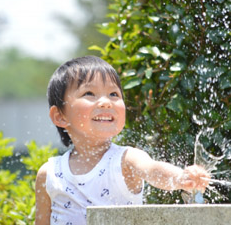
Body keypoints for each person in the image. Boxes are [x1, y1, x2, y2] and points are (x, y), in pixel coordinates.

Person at [35, 56, 210, 225]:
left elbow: (152, 169)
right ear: (60, 116)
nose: (106, 102)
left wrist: (180, 178)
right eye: (89, 93)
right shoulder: (49, 174)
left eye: (113, 94)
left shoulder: (125, 160)